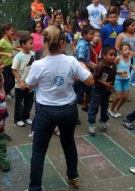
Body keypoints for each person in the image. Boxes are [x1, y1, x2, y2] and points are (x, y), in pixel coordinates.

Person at [26, 25, 94, 190]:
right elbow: (90, 81)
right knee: (68, 142)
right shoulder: (71, 60)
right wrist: (83, 67)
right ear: (63, 43)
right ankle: (73, 176)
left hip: (46, 111)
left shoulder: (38, 64)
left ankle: (35, 188)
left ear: (45, 42)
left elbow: (29, 86)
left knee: (39, 150)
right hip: (69, 110)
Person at [87, 46, 117, 136]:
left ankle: (103, 120)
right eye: (111, 55)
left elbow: (112, 74)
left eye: (114, 55)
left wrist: (119, 73)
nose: (113, 57)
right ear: (104, 56)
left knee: (105, 106)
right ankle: (91, 124)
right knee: (94, 107)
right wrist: (105, 83)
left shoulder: (113, 65)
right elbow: (94, 78)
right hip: (98, 89)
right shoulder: (101, 66)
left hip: (107, 90)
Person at [12, 35, 35, 127]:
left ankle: (26, 117)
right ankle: (18, 119)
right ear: (23, 45)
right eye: (30, 43)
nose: (32, 45)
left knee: (29, 101)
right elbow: (14, 70)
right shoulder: (18, 56)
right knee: (19, 102)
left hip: (30, 84)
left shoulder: (33, 54)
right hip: (20, 85)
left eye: (32, 43)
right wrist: (20, 81)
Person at [0, 24, 20, 100]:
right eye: (11, 30)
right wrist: (6, 54)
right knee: (5, 81)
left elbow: (10, 48)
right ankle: (3, 95)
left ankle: (5, 92)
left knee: (13, 80)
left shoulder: (10, 39)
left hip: (10, 64)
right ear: (6, 31)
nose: (13, 32)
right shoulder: (2, 41)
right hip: (4, 65)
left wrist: (17, 48)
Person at [109, 43, 134, 117]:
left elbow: (128, 64)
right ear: (120, 51)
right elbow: (112, 69)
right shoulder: (118, 58)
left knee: (125, 97)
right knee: (118, 97)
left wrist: (132, 66)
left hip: (126, 79)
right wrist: (119, 73)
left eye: (128, 49)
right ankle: (111, 109)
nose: (127, 51)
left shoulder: (129, 57)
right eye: (125, 49)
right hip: (118, 79)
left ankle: (117, 109)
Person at [74, 26, 96, 112]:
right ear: (84, 35)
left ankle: (85, 105)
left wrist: (91, 63)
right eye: (91, 34)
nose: (93, 36)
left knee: (88, 90)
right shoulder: (83, 45)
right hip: (81, 72)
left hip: (83, 70)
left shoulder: (85, 43)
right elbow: (80, 60)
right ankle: (75, 112)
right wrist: (89, 66)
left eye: (93, 34)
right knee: (77, 93)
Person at [115, 18, 135, 86]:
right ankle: (118, 84)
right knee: (121, 70)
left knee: (128, 70)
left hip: (131, 58)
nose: (134, 27)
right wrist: (124, 53)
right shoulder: (121, 35)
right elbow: (117, 47)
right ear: (126, 27)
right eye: (132, 25)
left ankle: (126, 84)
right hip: (122, 57)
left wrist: (133, 53)